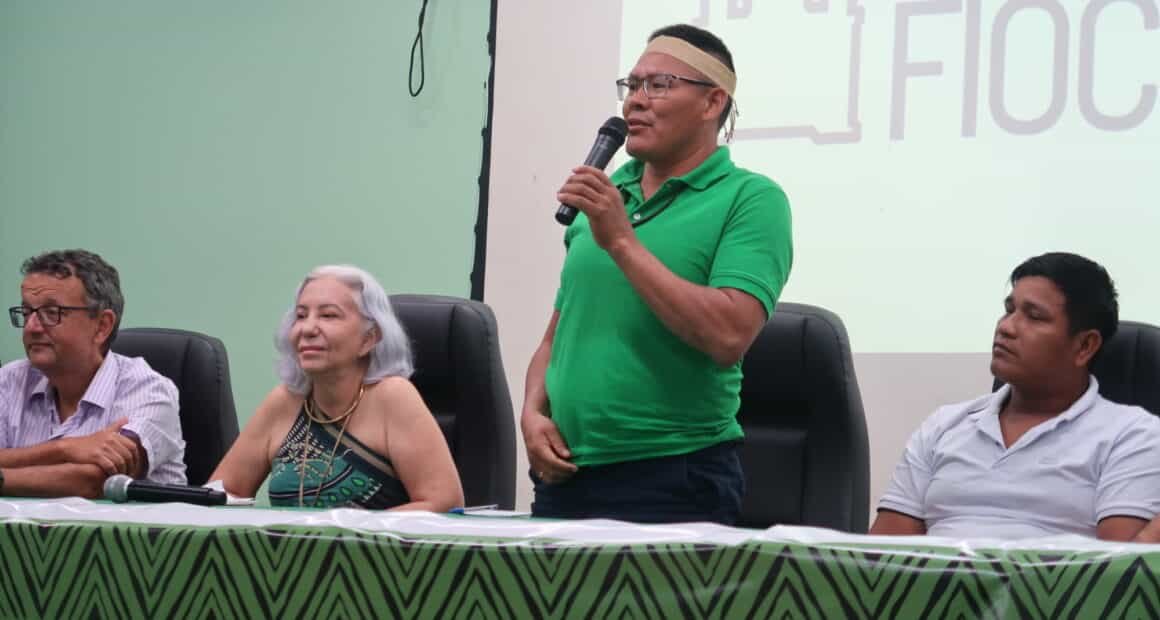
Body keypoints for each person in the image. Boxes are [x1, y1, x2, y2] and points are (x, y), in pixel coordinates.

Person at [521, 24, 793, 524]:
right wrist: (532, 413)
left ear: (712, 102)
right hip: (565, 475)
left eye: (659, 85)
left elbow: (728, 335)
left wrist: (622, 241)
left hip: (673, 477)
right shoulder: (605, 196)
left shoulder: (751, 200)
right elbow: (557, 337)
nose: (636, 101)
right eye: (632, 85)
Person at [871, 252, 1160, 541]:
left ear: (1085, 345)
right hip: (939, 571)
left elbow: (1119, 563)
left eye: (1034, 316)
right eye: (1009, 310)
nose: (1006, 327)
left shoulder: (1131, 435)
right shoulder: (943, 425)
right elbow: (881, 556)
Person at [209, 265, 462, 511]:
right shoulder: (284, 401)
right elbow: (220, 496)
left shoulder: (393, 396)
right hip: (286, 542)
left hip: (376, 542)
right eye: (301, 316)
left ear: (369, 338)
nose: (307, 329)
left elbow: (444, 503)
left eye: (328, 315)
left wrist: (350, 531)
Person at [0, 249, 185, 498]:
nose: (31, 327)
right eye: (26, 312)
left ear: (101, 326)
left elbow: (96, 480)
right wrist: (66, 449)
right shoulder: (9, 381)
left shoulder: (147, 390)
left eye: (51, 313)